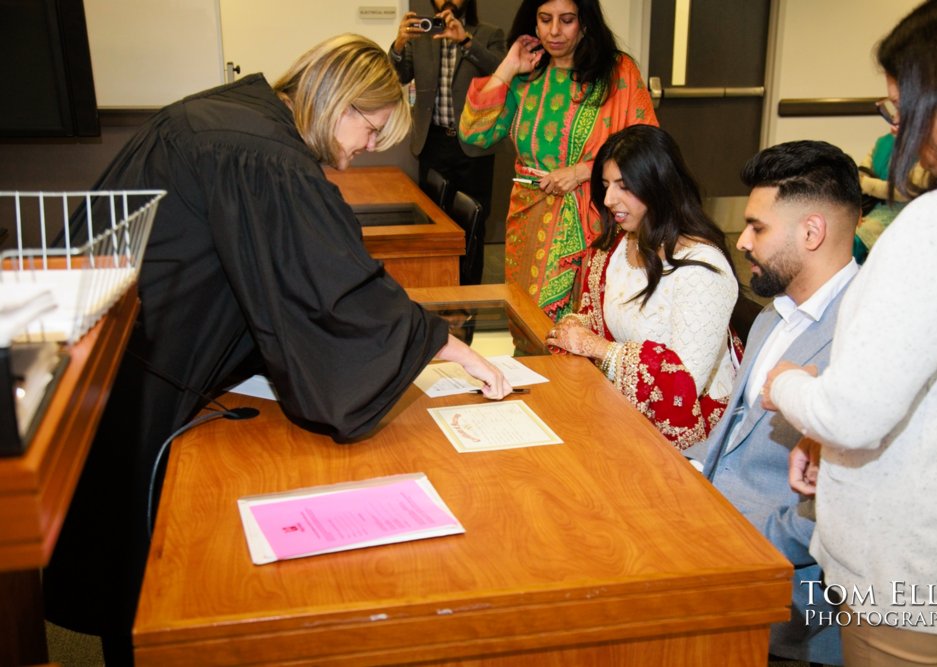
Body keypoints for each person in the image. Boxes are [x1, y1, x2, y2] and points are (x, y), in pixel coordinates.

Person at [43, 34, 512, 665]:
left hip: (100, 338)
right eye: (371, 130)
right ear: (338, 101)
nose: (365, 151)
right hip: (140, 360)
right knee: (146, 569)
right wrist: (441, 345)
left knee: (126, 545)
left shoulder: (235, 111)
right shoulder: (265, 154)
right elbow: (328, 286)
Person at [762, 1, 937, 664]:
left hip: (909, 565)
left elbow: (855, 412)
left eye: (901, 106)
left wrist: (787, 386)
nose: (897, 126)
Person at [685, 140, 864, 665]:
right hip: (717, 528)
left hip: (785, 589)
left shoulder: (864, 337)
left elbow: (831, 509)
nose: (741, 241)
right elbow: (730, 437)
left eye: (757, 227)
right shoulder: (773, 314)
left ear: (812, 232)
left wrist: (731, 541)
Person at [459, 0, 657, 321]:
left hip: (597, 219)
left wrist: (584, 171)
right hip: (530, 215)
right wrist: (508, 66)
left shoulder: (617, 72)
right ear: (533, 23)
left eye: (566, 20)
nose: (554, 31)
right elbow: (473, 133)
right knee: (528, 320)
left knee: (580, 322)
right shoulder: (528, 74)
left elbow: (647, 147)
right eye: (545, 19)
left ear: (585, 22)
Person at [546, 125, 737, 450]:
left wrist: (598, 348)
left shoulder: (704, 269)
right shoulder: (620, 244)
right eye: (606, 186)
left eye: (624, 187)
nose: (608, 200)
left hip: (690, 436)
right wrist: (578, 325)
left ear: (660, 186)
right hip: (621, 405)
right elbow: (597, 317)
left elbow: (683, 384)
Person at [389, 0, 505, 284]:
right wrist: (399, 45)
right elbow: (398, 76)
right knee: (434, 223)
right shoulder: (422, 35)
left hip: (474, 147)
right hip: (432, 143)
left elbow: (504, 72)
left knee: (474, 224)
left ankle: (470, 295)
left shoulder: (488, 34)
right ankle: (438, 290)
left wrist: (466, 40)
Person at [853, 129, 928, 264]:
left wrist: (866, 184)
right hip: (869, 205)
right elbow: (861, 173)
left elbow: (906, 190)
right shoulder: (883, 142)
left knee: (864, 234)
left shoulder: (925, 145)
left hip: (902, 211)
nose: (893, 125)